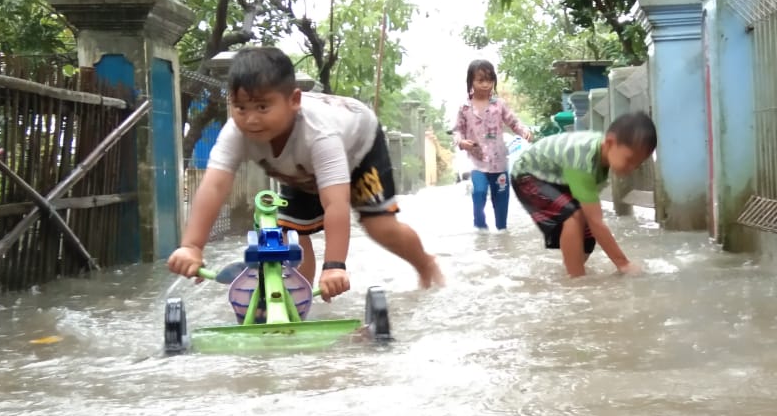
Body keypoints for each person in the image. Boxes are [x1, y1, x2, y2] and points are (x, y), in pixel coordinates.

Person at [166, 47, 444, 300]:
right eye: (240, 108)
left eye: (262, 107)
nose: (251, 119)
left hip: (358, 149)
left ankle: (426, 264)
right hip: (299, 172)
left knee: (379, 227)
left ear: (294, 100)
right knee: (291, 237)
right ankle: (298, 303)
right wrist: (192, 246)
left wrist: (334, 266)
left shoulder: (320, 134)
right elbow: (214, 187)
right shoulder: (236, 133)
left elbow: (335, 203)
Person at [511, 111, 657, 278]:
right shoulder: (582, 158)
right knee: (573, 215)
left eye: (637, 164)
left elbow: (592, 219)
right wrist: (623, 264)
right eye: (629, 159)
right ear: (610, 143)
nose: (631, 168)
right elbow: (597, 221)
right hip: (527, 175)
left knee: (587, 236)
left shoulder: (600, 162)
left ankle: (571, 269)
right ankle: (575, 281)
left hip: (557, 179)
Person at [452, 59, 533, 232]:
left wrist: (524, 131)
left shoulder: (499, 105)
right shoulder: (464, 108)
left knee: (501, 196)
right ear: (471, 81)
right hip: (477, 161)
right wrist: (461, 142)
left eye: (489, 80)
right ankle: (480, 225)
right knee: (479, 192)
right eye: (480, 80)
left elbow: (513, 121)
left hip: (499, 161)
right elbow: (457, 130)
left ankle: (502, 230)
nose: (486, 84)